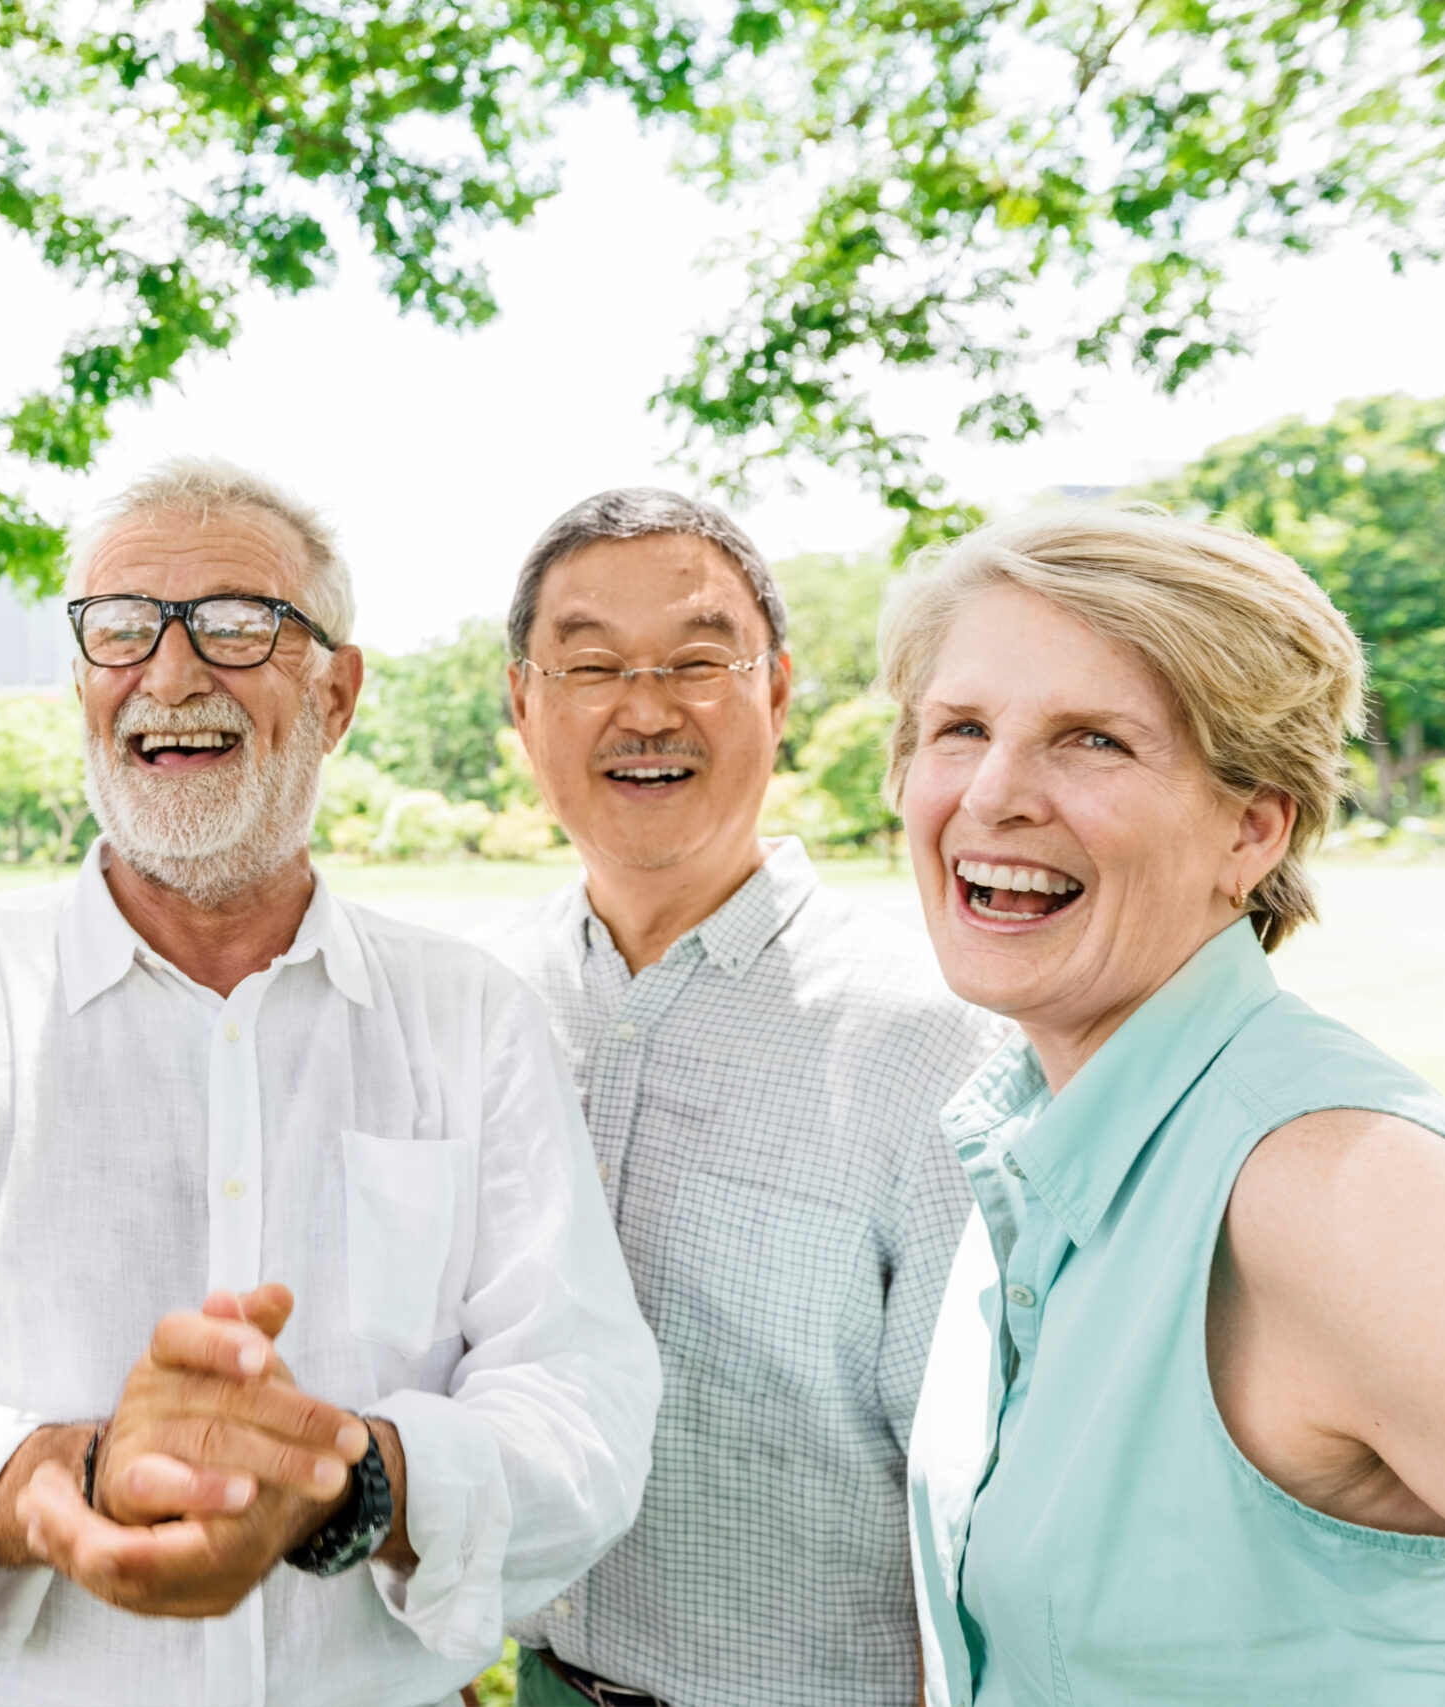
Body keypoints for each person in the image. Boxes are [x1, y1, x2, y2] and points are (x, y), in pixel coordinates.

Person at [0, 458, 661, 1707]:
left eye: (238, 624)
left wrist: (352, 1481)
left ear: (335, 694)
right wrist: (55, 1485)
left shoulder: (468, 1017)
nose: (170, 675)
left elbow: (581, 1399)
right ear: (79, 683)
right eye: (122, 628)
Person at [891, 510, 1445, 1705]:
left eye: (1094, 742)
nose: (996, 793)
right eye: (958, 728)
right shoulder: (1036, 1141)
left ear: (1252, 827)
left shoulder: (1330, 1185)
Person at [475, 488, 1006, 1707]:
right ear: (522, 704)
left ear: (775, 690)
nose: (645, 708)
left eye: (698, 661)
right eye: (591, 664)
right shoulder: (479, 1005)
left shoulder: (929, 1035)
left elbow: (974, 1496)